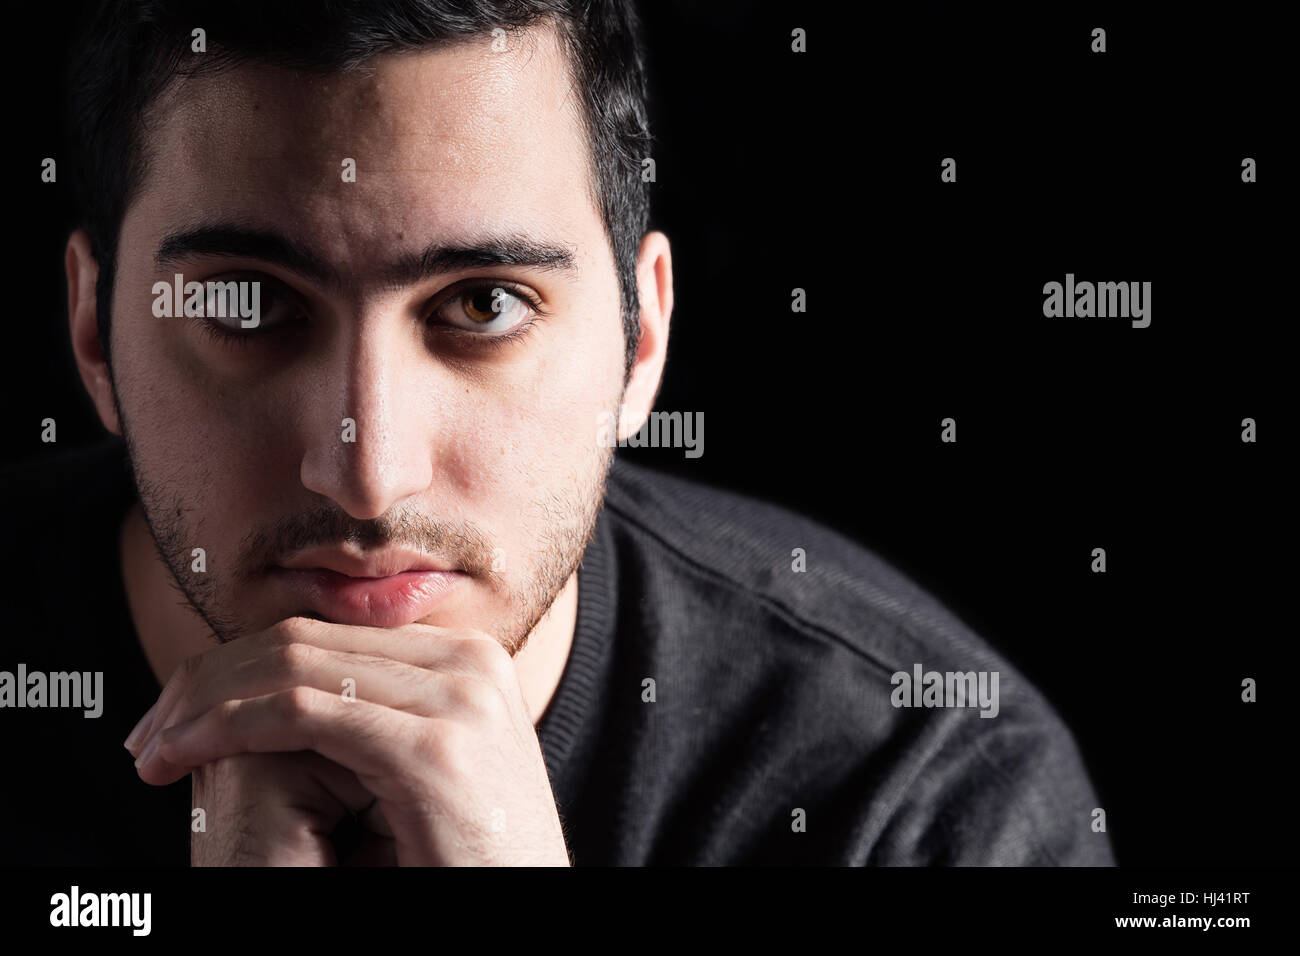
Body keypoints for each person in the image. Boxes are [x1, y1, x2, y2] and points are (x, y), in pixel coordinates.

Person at [0, 0, 1113, 865]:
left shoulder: (918, 797)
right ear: (95, 332)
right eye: (246, 305)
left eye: (483, 305)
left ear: (641, 343)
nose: (366, 475)